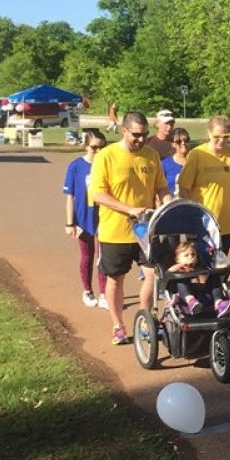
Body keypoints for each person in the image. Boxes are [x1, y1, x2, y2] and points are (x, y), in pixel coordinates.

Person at [90, 112, 173, 345]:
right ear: (123, 131)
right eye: (136, 135)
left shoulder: (151, 156)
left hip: (145, 230)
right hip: (115, 231)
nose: (141, 139)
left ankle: (145, 319)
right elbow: (97, 194)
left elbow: (161, 188)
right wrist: (129, 209)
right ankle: (117, 325)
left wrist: (171, 205)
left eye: (145, 134)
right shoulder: (106, 156)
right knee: (116, 278)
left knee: (152, 274)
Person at [178, 115, 230, 254]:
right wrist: (191, 216)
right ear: (208, 133)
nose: (221, 141)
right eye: (217, 137)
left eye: (226, 136)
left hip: (226, 222)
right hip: (202, 223)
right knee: (201, 266)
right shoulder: (197, 154)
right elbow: (183, 188)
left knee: (221, 267)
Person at [63, 129, 109, 309]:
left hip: (104, 218)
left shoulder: (107, 165)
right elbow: (70, 197)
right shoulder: (76, 166)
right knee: (87, 256)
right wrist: (70, 223)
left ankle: (104, 293)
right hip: (83, 219)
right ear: (85, 146)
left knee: (103, 257)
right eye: (94, 148)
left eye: (102, 148)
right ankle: (88, 290)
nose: (98, 152)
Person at [167, 240, 230, 317]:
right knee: (181, 279)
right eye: (186, 255)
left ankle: (219, 303)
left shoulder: (199, 268)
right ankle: (191, 300)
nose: (190, 257)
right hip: (184, 297)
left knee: (214, 276)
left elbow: (203, 280)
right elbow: (169, 272)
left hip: (202, 294)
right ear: (177, 259)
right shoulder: (177, 269)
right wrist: (181, 265)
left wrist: (201, 273)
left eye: (193, 255)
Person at [160, 127, 191, 196]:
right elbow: (158, 190)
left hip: (192, 204)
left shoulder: (195, 162)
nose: (183, 143)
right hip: (172, 204)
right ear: (173, 144)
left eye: (186, 140)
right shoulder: (164, 164)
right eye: (179, 141)